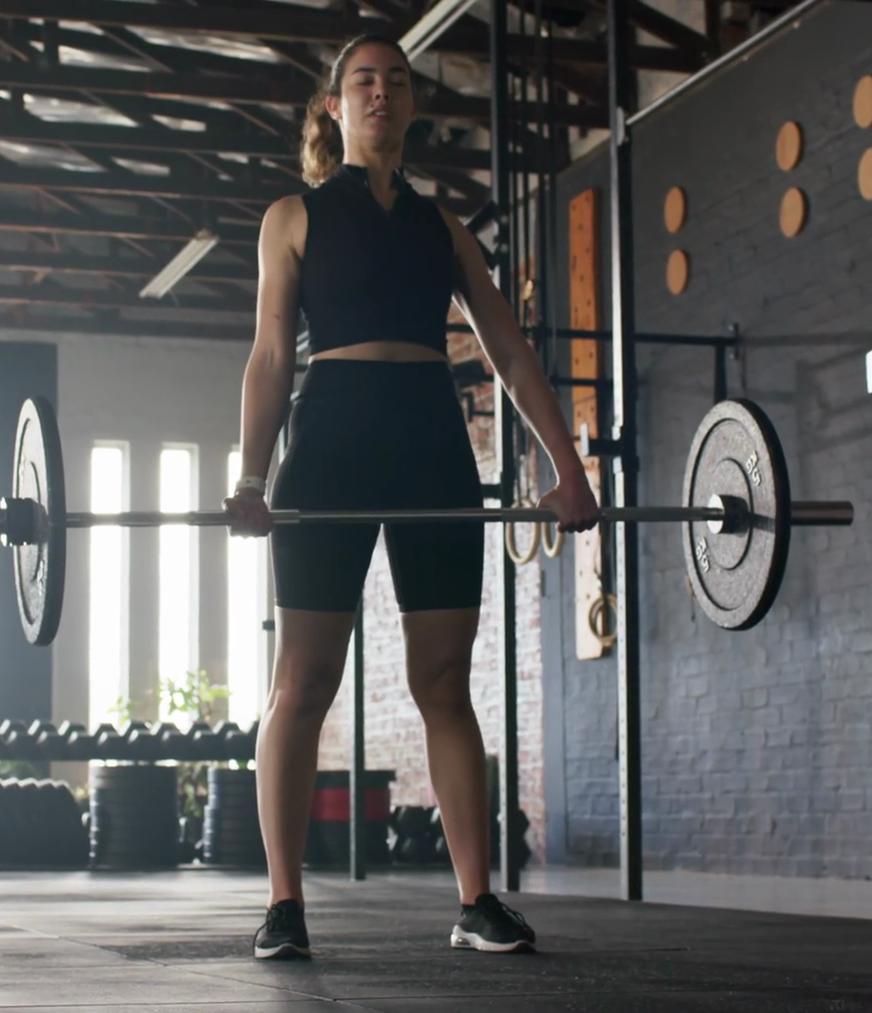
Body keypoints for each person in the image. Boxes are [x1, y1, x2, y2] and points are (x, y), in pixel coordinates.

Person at [224, 35, 600, 959]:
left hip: (432, 443)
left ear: (413, 104)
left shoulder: (444, 228)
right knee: (304, 681)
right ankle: (283, 904)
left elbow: (510, 352)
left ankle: (476, 901)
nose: (382, 92)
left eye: (397, 80)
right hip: (331, 445)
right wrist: (250, 476)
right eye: (363, 81)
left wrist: (568, 466)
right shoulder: (293, 217)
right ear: (334, 106)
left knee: (444, 681)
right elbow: (271, 354)